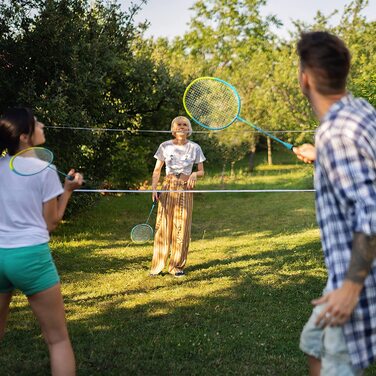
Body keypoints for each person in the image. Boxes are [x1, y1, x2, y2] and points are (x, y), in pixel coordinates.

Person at [294, 31, 376, 375]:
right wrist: (322, 158)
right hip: (344, 279)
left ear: (305, 78)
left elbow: (372, 213)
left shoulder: (335, 133)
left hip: (356, 282)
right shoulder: (360, 111)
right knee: (315, 347)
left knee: (333, 362)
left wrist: (350, 288)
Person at [0, 107, 83, 375]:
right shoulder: (44, 169)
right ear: (24, 137)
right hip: (30, 257)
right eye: (37, 124)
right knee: (58, 340)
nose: (43, 125)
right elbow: (51, 223)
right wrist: (68, 191)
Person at [150, 116, 205, 277]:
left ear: (189, 129)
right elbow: (157, 170)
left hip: (185, 189)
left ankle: (176, 266)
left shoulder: (195, 147)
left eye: (185, 125)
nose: (181, 127)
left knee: (182, 226)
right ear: (173, 129)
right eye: (178, 125)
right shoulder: (165, 146)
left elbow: (202, 171)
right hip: (167, 188)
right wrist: (154, 189)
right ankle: (158, 266)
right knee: (163, 226)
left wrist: (195, 174)